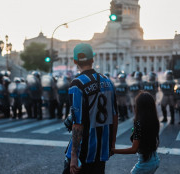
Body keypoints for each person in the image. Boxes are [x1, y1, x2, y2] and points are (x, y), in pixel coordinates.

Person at [63, 43, 118, 174]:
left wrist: (74, 156)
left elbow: (78, 123)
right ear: (93, 59)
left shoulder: (77, 84)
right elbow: (115, 116)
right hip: (102, 149)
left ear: (75, 61)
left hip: (84, 151)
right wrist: (112, 143)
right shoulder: (108, 81)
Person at [112, 91, 160, 174]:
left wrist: (113, 150)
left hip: (145, 164)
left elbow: (134, 149)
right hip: (155, 160)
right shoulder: (154, 120)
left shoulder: (139, 123)